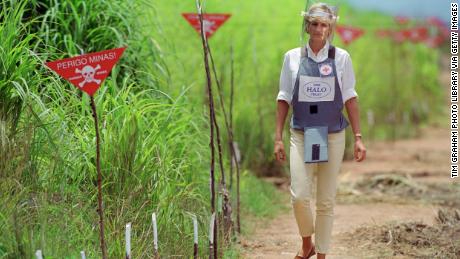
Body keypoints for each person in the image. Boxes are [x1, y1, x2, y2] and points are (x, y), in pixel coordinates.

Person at [274, 3, 366, 259]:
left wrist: (358, 138)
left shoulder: (341, 58)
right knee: (299, 196)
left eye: (323, 24)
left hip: (332, 134)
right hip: (302, 133)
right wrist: (277, 138)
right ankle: (307, 243)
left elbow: (350, 98)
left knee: (326, 200)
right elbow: (283, 98)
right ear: (307, 26)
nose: (318, 29)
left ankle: (322, 253)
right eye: (314, 23)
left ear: (330, 27)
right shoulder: (292, 57)